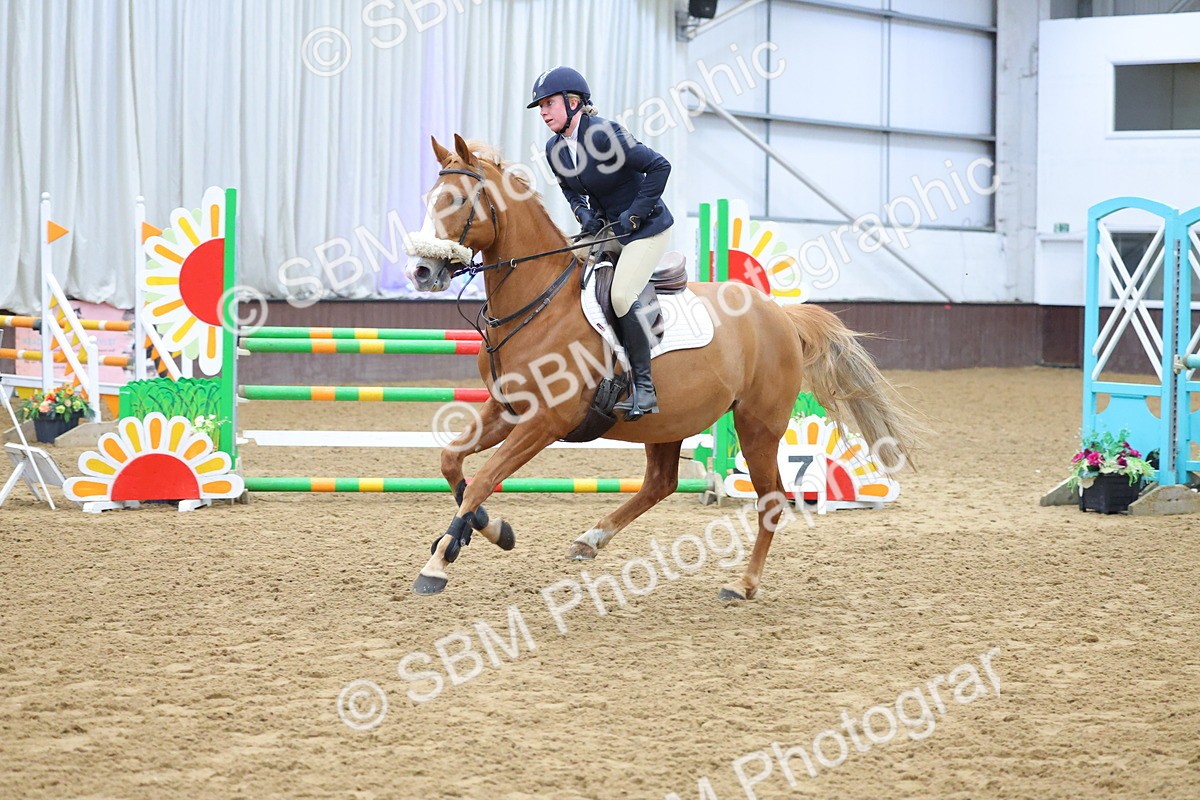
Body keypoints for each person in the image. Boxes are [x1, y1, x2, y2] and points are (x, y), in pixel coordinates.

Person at [528, 66, 673, 422]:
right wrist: (583, 214)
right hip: (607, 229)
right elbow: (568, 189)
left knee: (622, 295)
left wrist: (636, 215)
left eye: (549, 103)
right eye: (541, 106)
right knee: (563, 281)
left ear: (574, 102)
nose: (544, 112)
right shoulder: (554, 149)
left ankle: (644, 386)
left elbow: (660, 166)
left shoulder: (605, 134)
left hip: (646, 228)